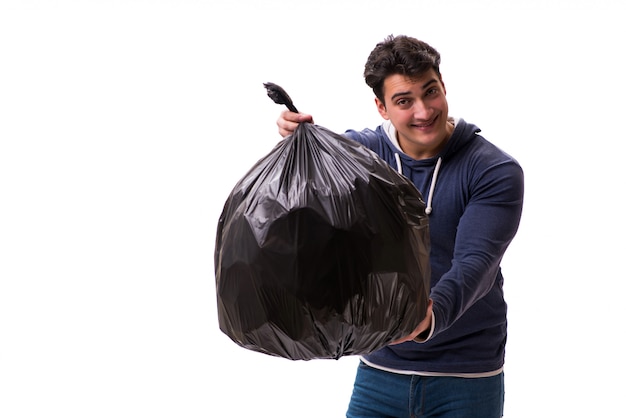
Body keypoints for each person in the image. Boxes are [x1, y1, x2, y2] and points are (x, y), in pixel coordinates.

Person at [276, 34, 524, 417]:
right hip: (380, 371)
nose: (424, 111)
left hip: (467, 376)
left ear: (444, 88)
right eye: (405, 101)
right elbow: (318, 185)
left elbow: (476, 263)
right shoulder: (364, 155)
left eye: (431, 93)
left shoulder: (493, 170)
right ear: (382, 107)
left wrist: (428, 318)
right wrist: (300, 137)